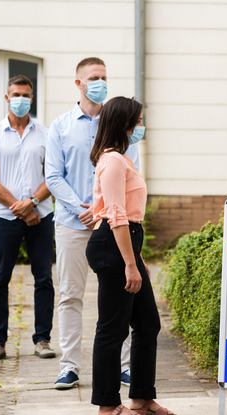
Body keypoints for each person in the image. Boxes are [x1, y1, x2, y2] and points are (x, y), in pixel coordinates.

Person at [45, 57, 137, 389]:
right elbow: (53, 176)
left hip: (110, 225)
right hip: (71, 223)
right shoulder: (60, 126)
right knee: (70, 296)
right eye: (93, 77)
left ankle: (123, 365)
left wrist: (100, 212)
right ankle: (69, 366)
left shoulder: (120, 125)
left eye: (104, 77)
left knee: (116, 297)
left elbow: (129, 173)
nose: (100, 82)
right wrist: (78, 206)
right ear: (79, 83)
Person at [84, 97, 175, 415]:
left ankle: (140, 397)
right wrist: (130, 263)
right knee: (112, 328)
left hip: (123, 243)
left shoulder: (122, 159)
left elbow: (119, 213)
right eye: (137, 121)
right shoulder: (112, 161)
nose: (141, 126)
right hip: (113, 243)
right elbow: (115, 216)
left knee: (148, 322)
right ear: (123, 123)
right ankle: (108, 405)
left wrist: (135, 258)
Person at [0, 74, 56, 362]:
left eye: (26, 95)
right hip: (5, 218)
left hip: (41, 216)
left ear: (31, 98)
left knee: (44, 278)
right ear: (7, 97)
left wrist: (33, 203)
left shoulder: (46, 134)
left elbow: (54, 176)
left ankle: (42, 339)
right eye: (15, 94)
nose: (21, 99)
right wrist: (20, 208)